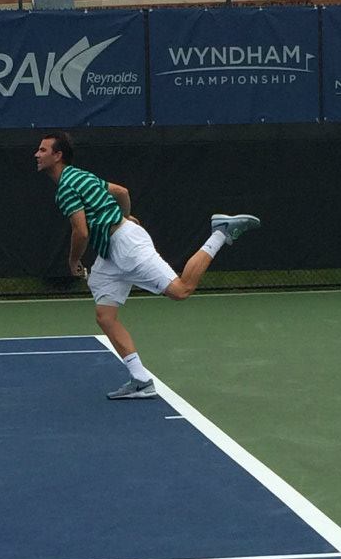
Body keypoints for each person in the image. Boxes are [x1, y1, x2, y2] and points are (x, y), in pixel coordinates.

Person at [35, 131, 260, 399]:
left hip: (127, 246)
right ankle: (141, 380)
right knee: (105, 316)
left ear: (58, 156)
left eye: (42, 150)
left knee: (181, 290)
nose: (36, 154)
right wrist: (127, 216)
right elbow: (122, 192)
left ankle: (220, 232)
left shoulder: (66, 188)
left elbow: (81, 232)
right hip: (110, 252)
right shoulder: (82, 176)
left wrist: (73, 260)